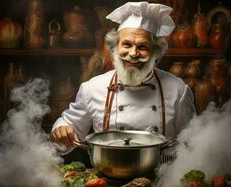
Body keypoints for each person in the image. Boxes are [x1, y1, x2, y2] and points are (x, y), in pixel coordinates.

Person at [50, 1, 196, 153]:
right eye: (126, 45)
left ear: (155, 52)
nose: (133, 54)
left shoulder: (178, 90)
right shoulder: (92, 89)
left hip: (163, 174)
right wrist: (62, 129)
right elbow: (69, 128)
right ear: (115, 48)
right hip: (106, 173)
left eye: (142, 47)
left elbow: (192, 143)